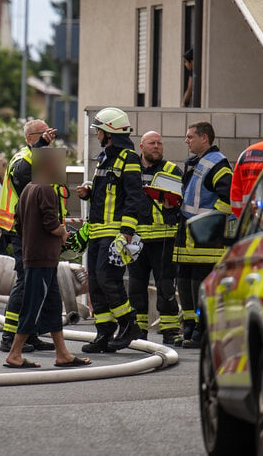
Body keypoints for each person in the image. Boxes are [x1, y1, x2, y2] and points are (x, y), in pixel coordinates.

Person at [5, 148, 92, 369]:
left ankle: (62, 354)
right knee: (33, 304)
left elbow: (19, 223)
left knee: (53, 305)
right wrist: (63, 233)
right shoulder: (46, 190)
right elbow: (51, 224)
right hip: (42, 258)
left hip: (39, 257)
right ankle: (14, 353)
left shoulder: (28, 190)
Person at [76, 107, 146, 353]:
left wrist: (126, 231)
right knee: (95, 284)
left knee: (108, 279)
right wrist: (89, 194)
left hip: (114, 233)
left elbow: (133, 197)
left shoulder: (130, 158)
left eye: (99, 131)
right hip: (96, 233)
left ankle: (128, 323)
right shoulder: (104, 158)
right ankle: (104, 332)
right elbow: (107, 196)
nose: (96, 135)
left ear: (110, 132)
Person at [0, 119, 60, 353]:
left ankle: (30, 334)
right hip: (21, 231)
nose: (50, 136)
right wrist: (41, 147)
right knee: (24, 282)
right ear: (31, 137)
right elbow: (30, 189)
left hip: (37, 232)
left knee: (41, 285)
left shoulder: (41, 157)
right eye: (45, 133)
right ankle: (9, 337)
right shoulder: (23, 159)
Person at [175, 121, 232, 349]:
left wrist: (208, 223)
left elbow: (227, 198)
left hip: (204, 239)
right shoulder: (196, 163)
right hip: (187, 236)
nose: (187, 141)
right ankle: (189, 327)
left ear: (205, 138)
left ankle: (202, 330)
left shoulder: (218, 164)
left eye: (190, 137)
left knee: (200, 286)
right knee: (185, 284)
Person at [131, 131, 183, 346]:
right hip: (135, 239)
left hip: (163, 238)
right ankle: (138, 331)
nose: (157, 147)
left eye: (160, 143)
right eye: (152, 143)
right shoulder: (131, 170)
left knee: (166, 287)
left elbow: (181, 201)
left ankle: (170, 330)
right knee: (136, 287)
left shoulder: (171, 170)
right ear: (141, 146)